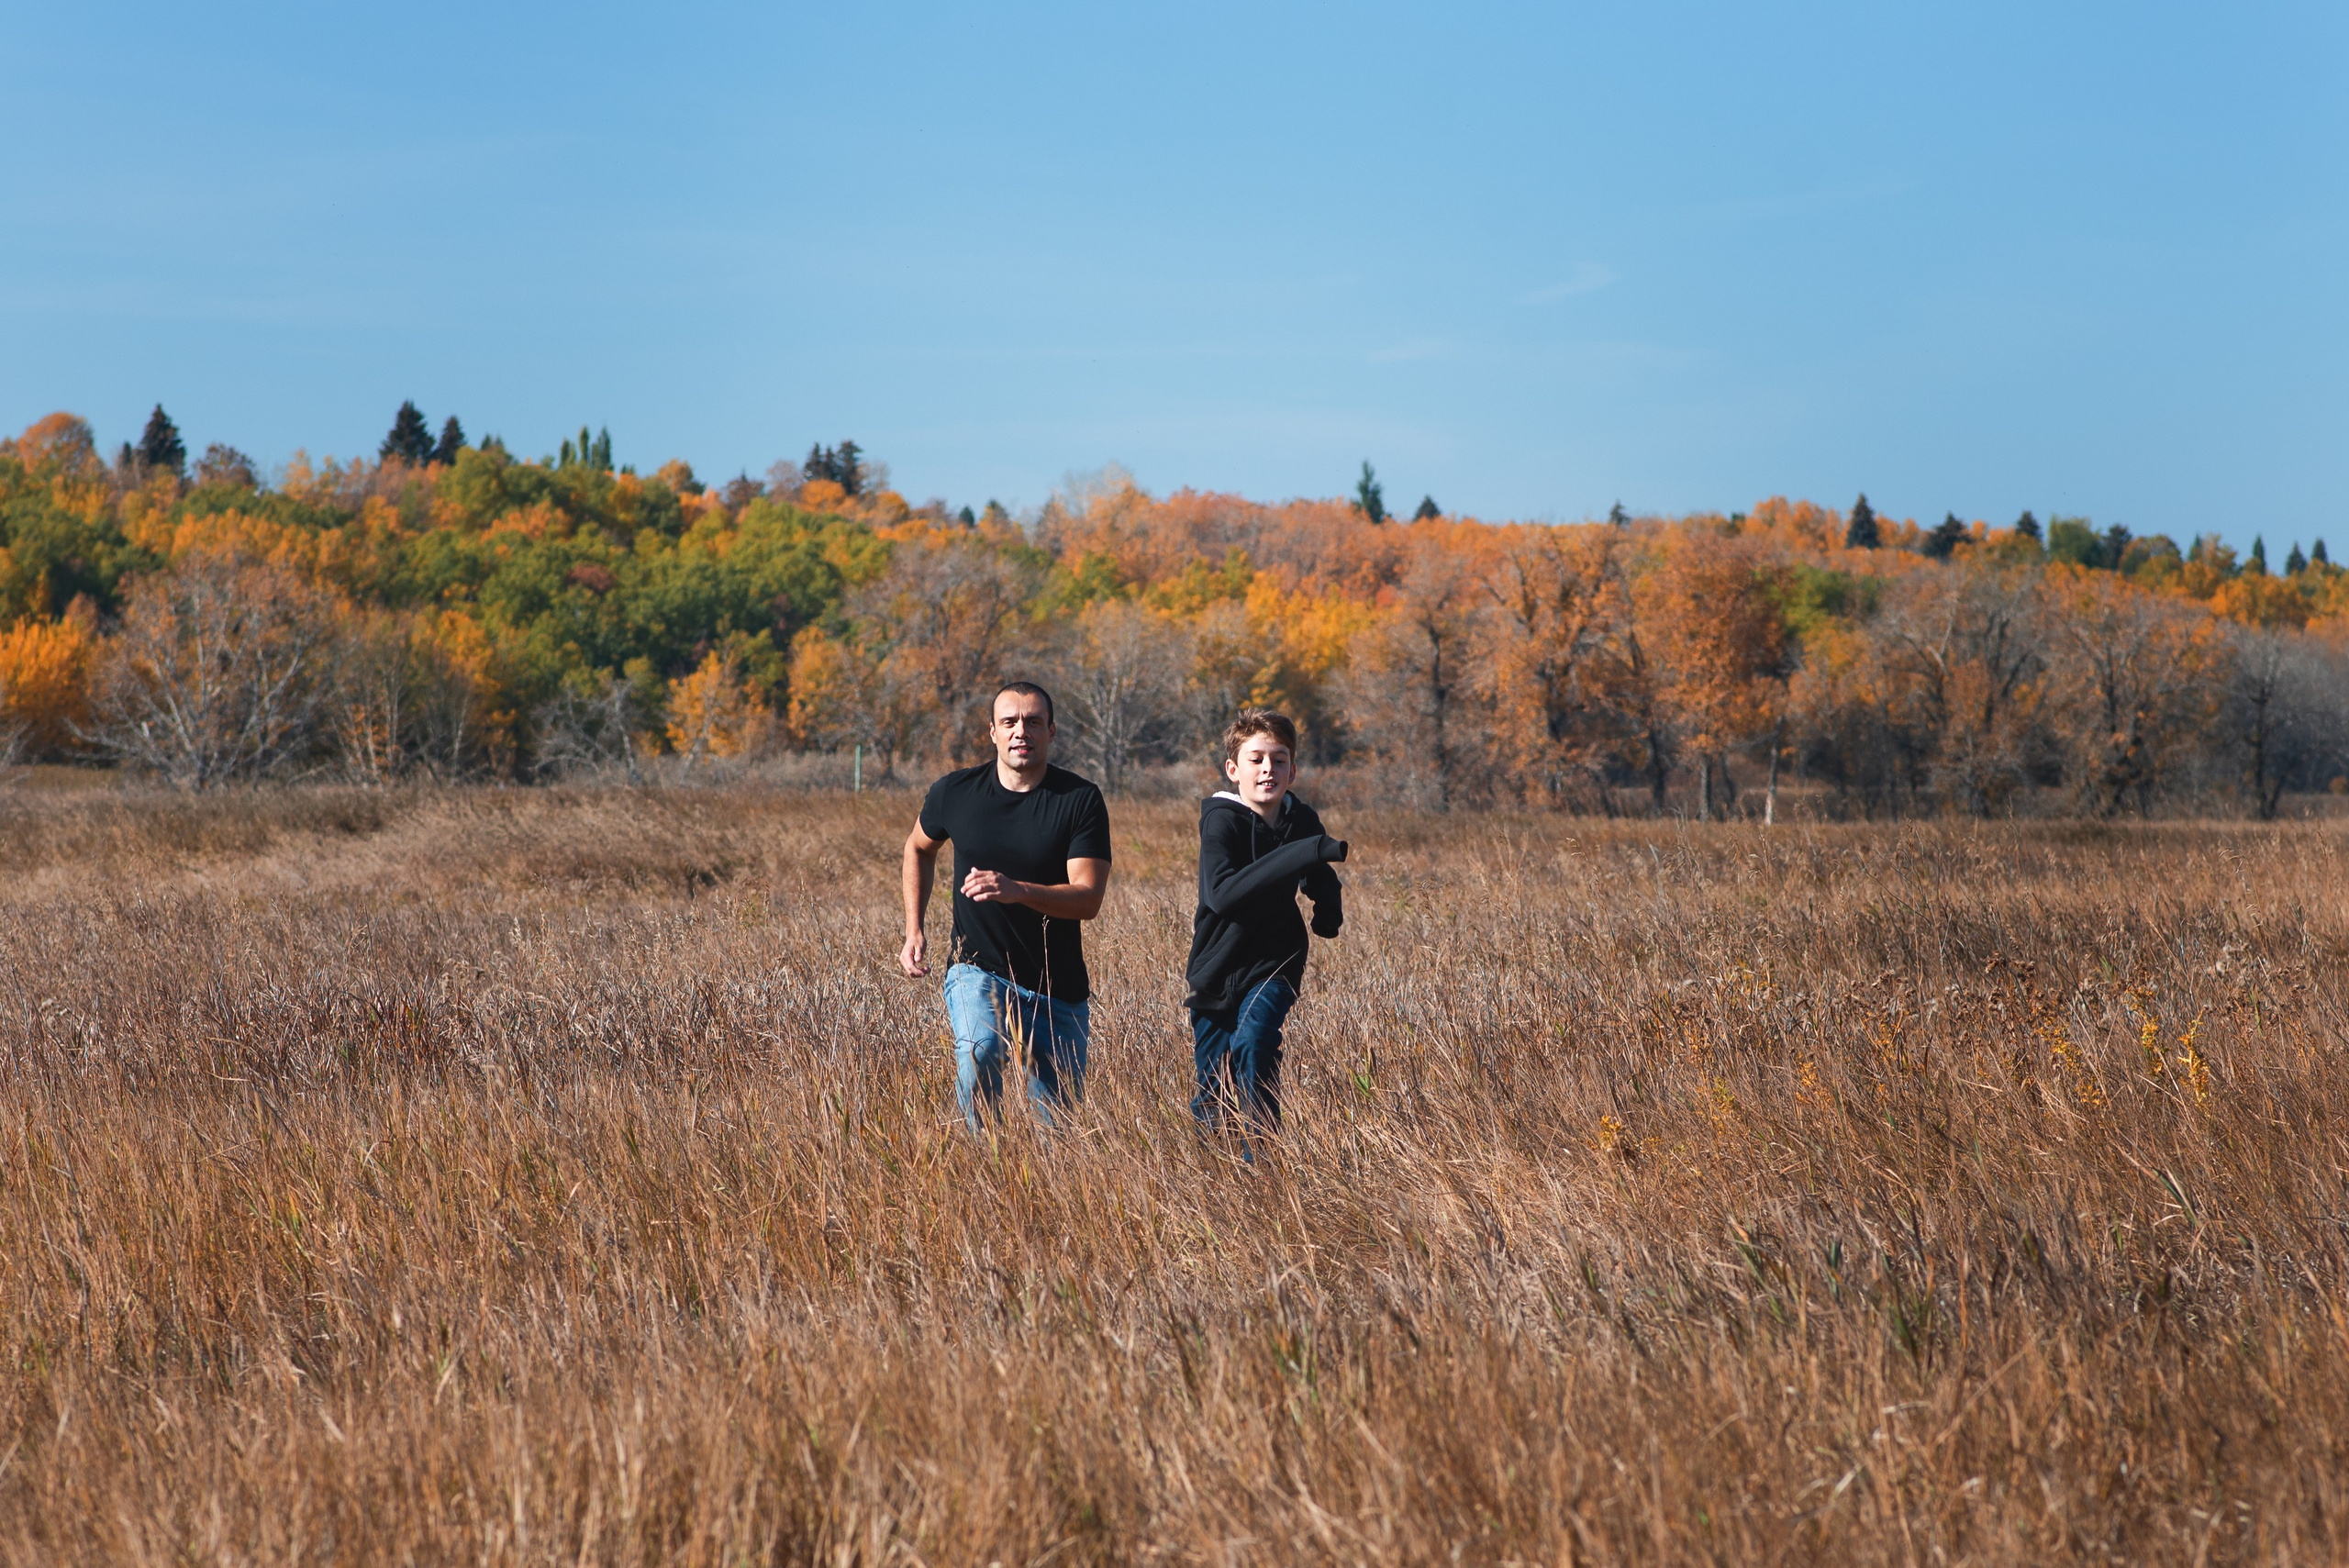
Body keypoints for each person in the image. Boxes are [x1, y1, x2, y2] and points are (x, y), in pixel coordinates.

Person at [900, 682, 1112, 1132]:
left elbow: (1088, 899)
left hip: (1058, 986)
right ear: (992, 732)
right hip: (977, 967)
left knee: (1057, 1129)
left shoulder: (1079, 800)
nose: (1022, 732)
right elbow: (918, 848)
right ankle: (984, 1168)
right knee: (980, 1053)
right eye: (1010, 722)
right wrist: (914, 929)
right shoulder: (955, 793)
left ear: (1051, 731)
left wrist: (1018, 890)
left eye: (1034, 722)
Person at [1185, 708, 1346, 1144]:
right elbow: (1222, 894)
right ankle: (1215, 1175)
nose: (1267, 769)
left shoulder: (1300, 820)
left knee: (1254, 1043)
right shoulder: (1222, 820)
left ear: (1292, 771)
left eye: (1278, 760)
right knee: (1213, 1089)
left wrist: (1327, 907)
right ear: (1233, 769)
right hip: (1216, 968)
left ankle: (1263, 1158)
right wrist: (1304, 853)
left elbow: (1320, 873)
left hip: (1277, 961)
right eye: (1256, 759)